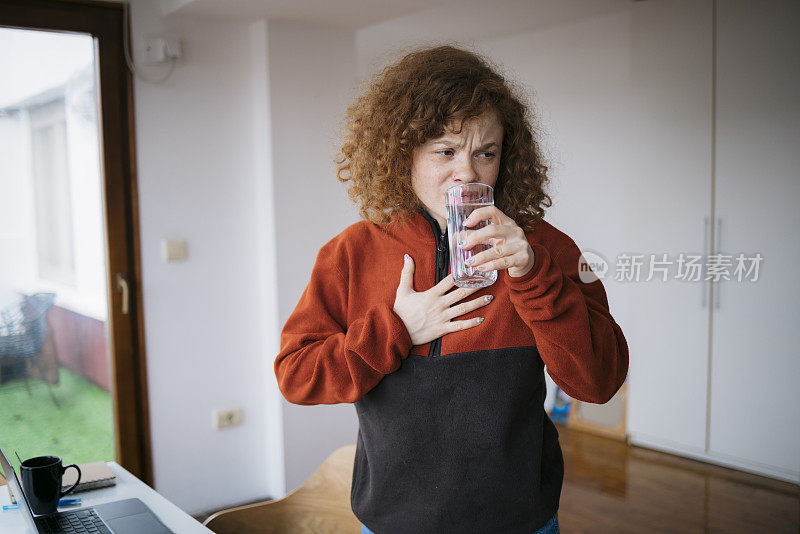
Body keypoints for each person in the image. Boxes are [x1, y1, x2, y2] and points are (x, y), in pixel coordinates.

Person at [274, 45, 629, 534]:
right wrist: (396, 329)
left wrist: (532, 275)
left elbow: (599, 382)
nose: (467, 173)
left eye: (486, 152)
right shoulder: (351, 253)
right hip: (392, 524)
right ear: (403, 153)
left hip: (520, 523)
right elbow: (297, 376)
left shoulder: (546, 248)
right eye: (445, 151)